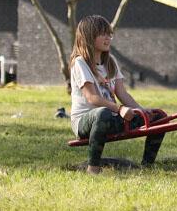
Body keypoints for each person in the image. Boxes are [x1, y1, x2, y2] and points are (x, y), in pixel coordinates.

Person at [69, 15, 166, 174]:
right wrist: (119, 109)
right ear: (89, 36)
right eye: (103, 34)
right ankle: (93, 168)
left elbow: (122, 93)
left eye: (110, 34)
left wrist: (142, 111)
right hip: (85, 122)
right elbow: (92, 98)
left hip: (111, 115)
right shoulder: (80, 62)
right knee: (103, 113)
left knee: (159, 116)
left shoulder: (110, 61)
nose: (108, 38)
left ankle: (147, 165)